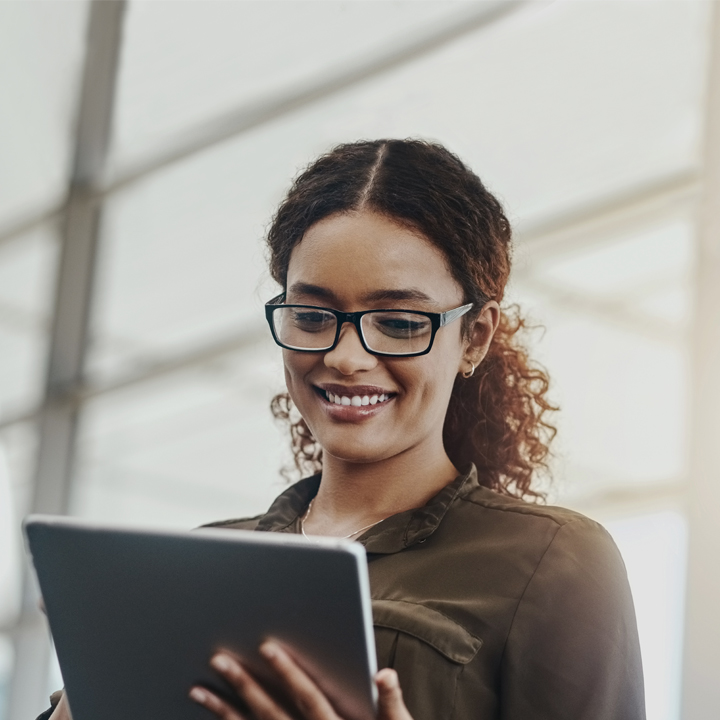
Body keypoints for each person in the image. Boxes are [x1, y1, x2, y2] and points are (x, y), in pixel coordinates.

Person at [39, 139, 645, 720]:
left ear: (474, 337)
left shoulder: (551, 563)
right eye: (311, 315)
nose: (347, 357)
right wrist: (91, 673)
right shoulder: (194, 565)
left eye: (400, 322)